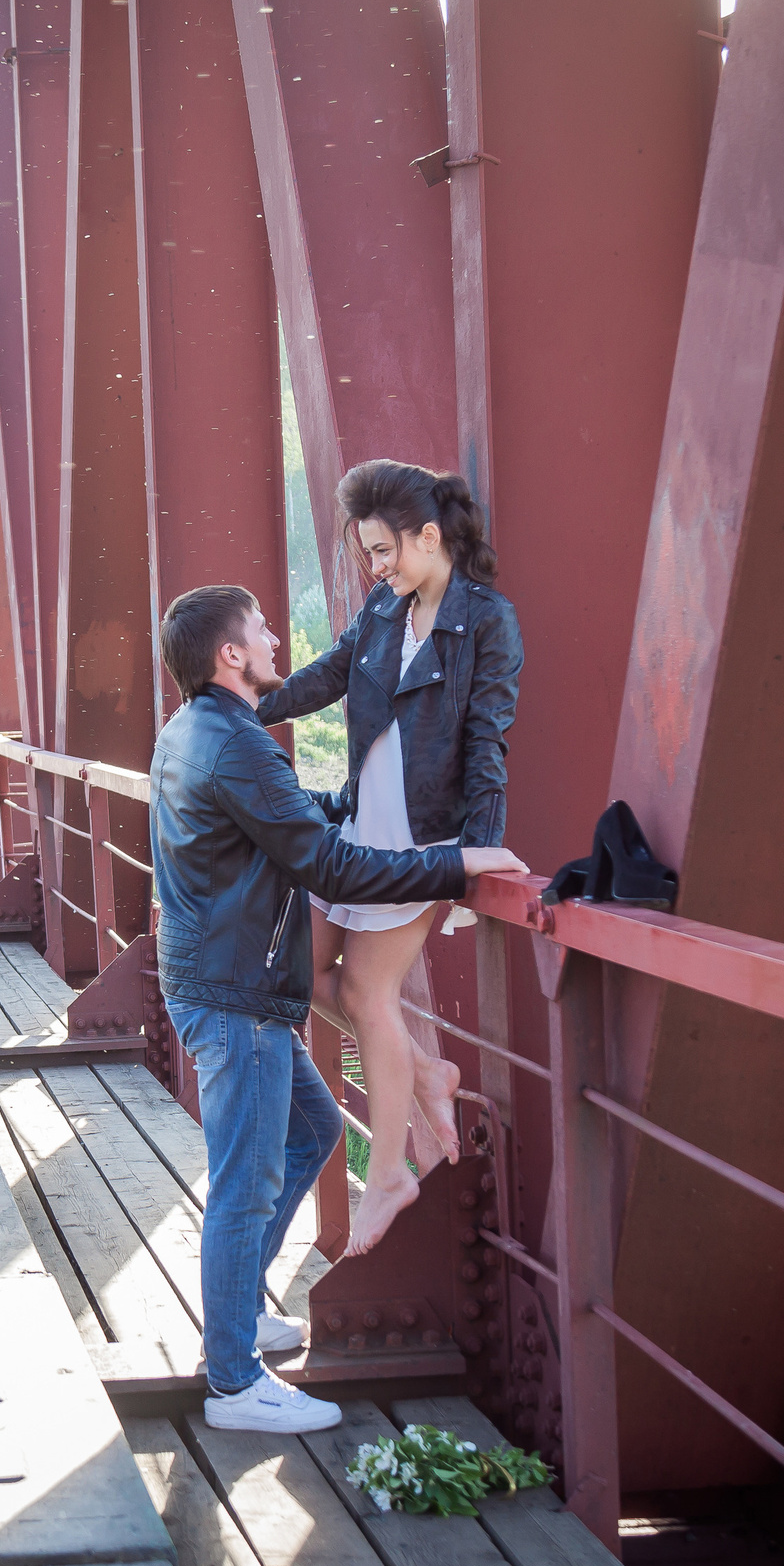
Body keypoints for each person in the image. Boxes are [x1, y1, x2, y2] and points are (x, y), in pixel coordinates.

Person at [153, 583, 527, 1433]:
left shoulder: (196, 731)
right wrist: (454, 864)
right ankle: (235, 1382)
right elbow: (331, 870)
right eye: (260, 629)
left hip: (222, 981)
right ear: (230, 656)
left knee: (310, 1132)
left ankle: (236, 1318)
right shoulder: (237, 745)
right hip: (235, 997)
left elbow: (278, 822)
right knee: (244, 1186)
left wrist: (362, 810)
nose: (277, 638)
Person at [257, 462, 522, 1258]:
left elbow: (488, 741)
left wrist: (476, 852)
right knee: (304, 971)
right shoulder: (384, 608)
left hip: (426, 841)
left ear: (428, 537)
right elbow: (330, 675)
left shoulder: (486, 621)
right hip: (363, 831)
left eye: (383, 551)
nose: (375, 567)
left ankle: (390, 1177)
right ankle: (425, 1073)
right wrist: (243, 702)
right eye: (370, 553)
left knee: (368, 990)